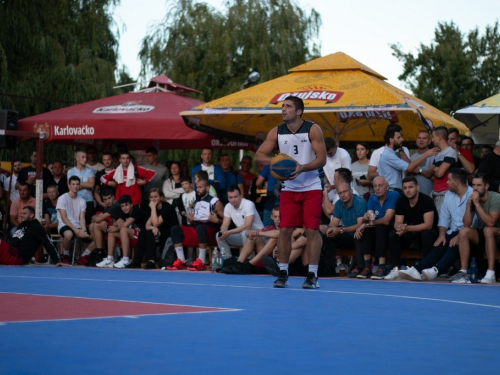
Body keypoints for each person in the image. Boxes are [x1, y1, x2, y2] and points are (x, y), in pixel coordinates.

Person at [254, 95, 326, 289]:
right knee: (284, 230)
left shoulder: (313, 129)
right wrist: (277, 162)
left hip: (311, 186)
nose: (283, 109)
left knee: (312, 230)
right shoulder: (276, 132)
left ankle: (312, 274)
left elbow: (322, 159)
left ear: (299, 111)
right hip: (289, 188)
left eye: (287, 107)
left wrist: (301, 167)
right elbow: (259, 156)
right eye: (282, 106)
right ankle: (282, 272)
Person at [398, 169, 473, 282]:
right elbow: (444, 217)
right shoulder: (448, 195)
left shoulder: (472, 195)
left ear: (456, 182)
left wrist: (461, 235)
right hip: (452, 230)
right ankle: (417, 270)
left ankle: (436, 270)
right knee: (439, 245)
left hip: (470, 232)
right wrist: (442, 234)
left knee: (453, 244)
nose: (446, 182)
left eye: (449, 180)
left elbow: (476, 221)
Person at [385, 177, 439, 280]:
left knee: (426, 234)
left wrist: (407, 228)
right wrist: (400, 227)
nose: (408, 190)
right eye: (405, 188)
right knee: (393, 234)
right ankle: (395, 268)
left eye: (410, 187)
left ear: (417, 187)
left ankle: (425, 269)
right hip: (412, 231)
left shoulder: (426, 200)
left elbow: (428, 225)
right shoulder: (401, 201)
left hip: (430, 232)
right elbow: (397, 222)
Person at [167, 179, 224, 271]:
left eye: (200, 187)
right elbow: (198, 221)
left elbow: (226, 221)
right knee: (175, 229)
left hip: (211, 232)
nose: (197, 189)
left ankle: (201, 261)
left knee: (201, 228)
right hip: (198, 230)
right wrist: (192, 220)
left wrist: (216, 220)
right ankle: (181, 260)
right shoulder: (196, 202)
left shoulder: (215, 202)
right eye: (197, 187)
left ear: (207, 188)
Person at [454, 174, 500, 283]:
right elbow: (466, 224)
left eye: (479, 185)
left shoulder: (496, 198)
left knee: (488, 230)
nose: (475, 188)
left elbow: (491, 222)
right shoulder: (472, 198)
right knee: (464, 231)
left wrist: (477, 204)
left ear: (486, 186)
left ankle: (491, 273)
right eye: (473, 185)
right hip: (486, 234)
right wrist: (470, 206)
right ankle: (464, 272)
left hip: (497, 232)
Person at [353, 176, 399, 279]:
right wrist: (366, 221)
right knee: (367, 230)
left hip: (392, 228)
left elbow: (387, 220)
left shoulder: (394, 195)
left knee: (380, 228)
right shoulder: (372, 198)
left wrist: (366, 223)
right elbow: (371, 218)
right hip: (377, 228)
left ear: (387, 187)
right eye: (375, 186)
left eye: (380, 185)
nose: (377, 188)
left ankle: (381, 266)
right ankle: (367, 267)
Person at [215, 185, 264, 274]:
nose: (233, 199)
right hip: (242, 235)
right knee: (218, 235)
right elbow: (225, 224)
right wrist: (223, 231)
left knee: (246, 232)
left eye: (235, 197)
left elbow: (247, 225)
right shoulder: (228, 206)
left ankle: (245, 263)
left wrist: (228, 232)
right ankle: (228, 261)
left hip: (258, 235)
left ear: (241, 196)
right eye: (230, 197)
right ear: (228, 198)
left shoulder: (248, 204)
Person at [324, 182, 367, 278]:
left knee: (358, 235)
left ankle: (360, 268)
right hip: (348, 234)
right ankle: (329, 268)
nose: (342, 195)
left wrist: (340, 230)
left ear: (351, 191)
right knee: (328, 237)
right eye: (340, 193)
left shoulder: (359, 202)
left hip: (362, 233)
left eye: (345, 192)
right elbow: (334, 222)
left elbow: (360, 224)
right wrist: (330, 229)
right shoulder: (339, 204)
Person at [128, 188, 178, 269]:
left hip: (169, 234)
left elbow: (156, 223)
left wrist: (153, 209)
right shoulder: (152, 208)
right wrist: (154, 228)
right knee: (144, 232)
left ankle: (151, 261)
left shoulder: (167, 207)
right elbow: (147, 225)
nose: (153, 199)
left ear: (161, 197)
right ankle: (137, 261)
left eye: (155, 197)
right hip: (157, 232)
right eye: (151, 197)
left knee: (149, 232)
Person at [378, 127, 437, 193]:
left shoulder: (391, 153)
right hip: (391, 191)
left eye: (424, 138)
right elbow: (409, 168)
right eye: (399, 137)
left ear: (429, 141)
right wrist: (426, 155)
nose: (402, 139)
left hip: (394, 190)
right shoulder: (388, 155)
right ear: (391, 140)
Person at [0, 206, 64, 266]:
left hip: (18, 256)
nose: (21, 215)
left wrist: (57, 261)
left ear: (31, 215)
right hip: (10, 253)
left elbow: (48, 243)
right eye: (21, 213)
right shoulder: (22, 225)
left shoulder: (37, 228)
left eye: (24, 214)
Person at [96, 194, 147, 268]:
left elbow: (125, 225)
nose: (124, 208)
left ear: (131, 204)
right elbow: (117, 223)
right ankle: (110, 258)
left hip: (143, 236)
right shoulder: (125, 213)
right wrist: (114, 226)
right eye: (122, 206)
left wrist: (116, 228)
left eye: (126, 205)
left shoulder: (136, 211)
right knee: (111, 232)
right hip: (133, 236)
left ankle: (126, 259)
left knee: (123, 230)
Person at [56, 176, 90, 264]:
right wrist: (77, 232)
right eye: (73, 184)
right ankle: (66, 255)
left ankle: (83, 256)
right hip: (64, 225)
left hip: (77, 226)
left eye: (77, 184)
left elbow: (82, 218)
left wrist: (83, 229)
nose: (75, 186)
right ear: (69, 185)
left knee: (95, 236)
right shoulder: (62, 198)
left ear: (79, 186)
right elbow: (64, 218)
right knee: (68, 234)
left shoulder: (82, 201)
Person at [426, 126, 457, 212]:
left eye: (433, 137)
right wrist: (435, 169)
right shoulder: (438, 154)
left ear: (439, 137)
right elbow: (428, 174)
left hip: (446, 193)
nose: (432, 140)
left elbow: (439, 174)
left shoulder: (450, 152)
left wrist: (435, 170)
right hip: (437, 193)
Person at [67, 150, 96, 224]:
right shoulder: (70, 171)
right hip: (75, 200)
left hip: (88, 201)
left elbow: (91, 184)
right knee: (75, 222)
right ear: (77, 158)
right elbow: (70, 187)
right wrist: (85, 185)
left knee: (89, 223)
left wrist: (76, 184)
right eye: (83, 157)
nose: (85, 159)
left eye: (86, 157)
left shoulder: (90, 171)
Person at [410, 130, 434, 196]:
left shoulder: (433, 155)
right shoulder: (412, 157)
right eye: (419, 138)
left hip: (429, 195)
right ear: (416, 140)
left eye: (424, 138)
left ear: (429, 141)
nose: (421, 140)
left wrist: (419, 170)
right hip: (414, 196)